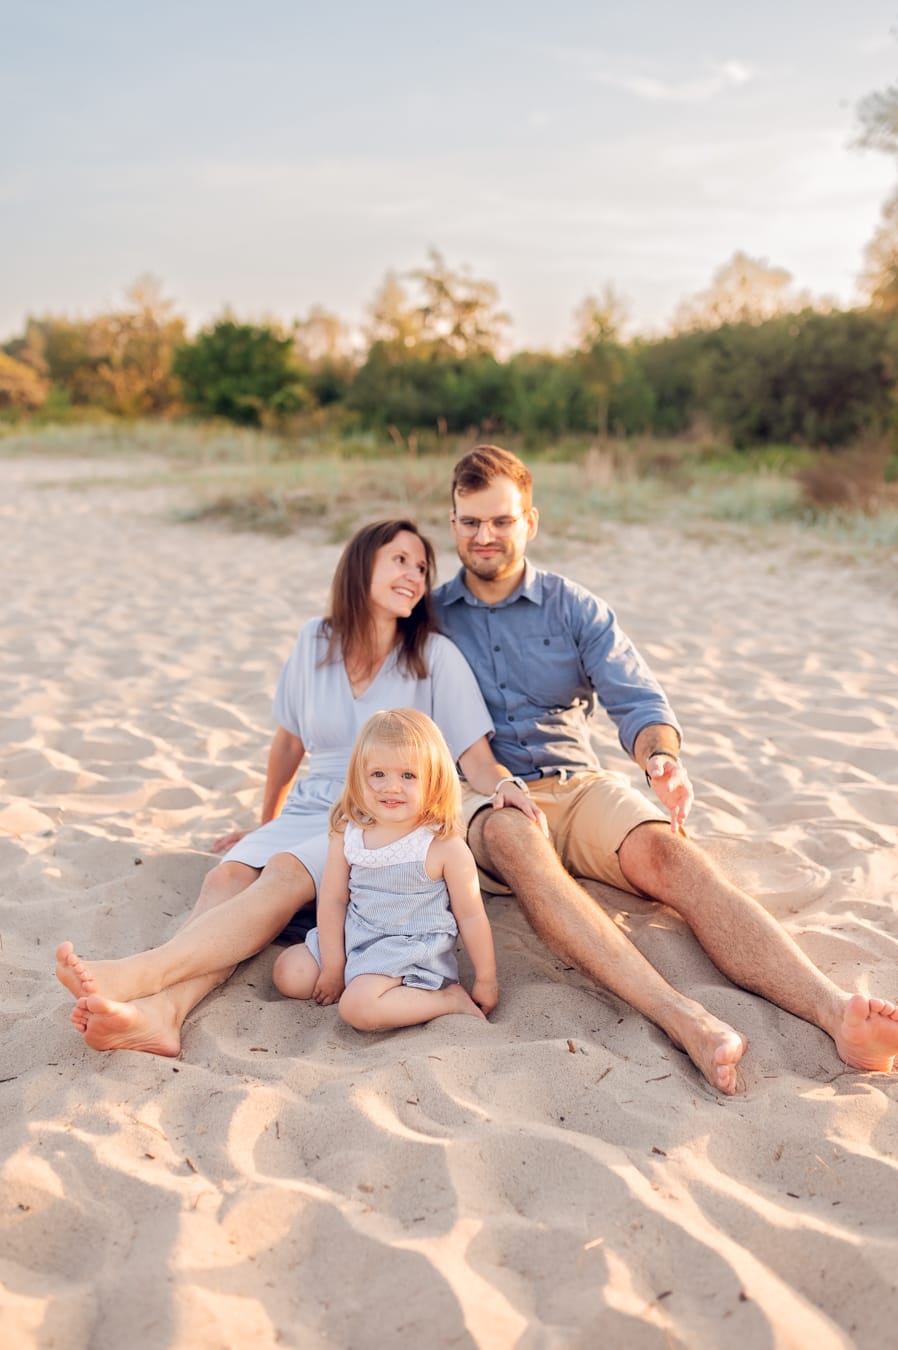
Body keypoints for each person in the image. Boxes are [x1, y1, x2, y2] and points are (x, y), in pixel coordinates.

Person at [432, 444, 898, 1094]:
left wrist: (659, 758)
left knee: (672, 857)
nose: (485, 536)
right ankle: (683, 1018)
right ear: (452, 522)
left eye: (501, 520)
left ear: (529, 522)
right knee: (516, 838)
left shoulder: (574, 607)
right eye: (471, 522)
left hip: (576, 782)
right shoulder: (426, 616)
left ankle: (835, 1013)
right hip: (482, 792)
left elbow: (639, 701)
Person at [56, 518, 540, 1055]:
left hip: (372, 813)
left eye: (422, 567)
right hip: (309, 803)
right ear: (361, 566)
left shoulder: (436, 656)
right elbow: (288, 743)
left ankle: (145, 974)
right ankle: (161, 1013)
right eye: (399, 560)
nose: (414, 575)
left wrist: (507, 786)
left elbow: (475, 757)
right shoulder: (315, 640)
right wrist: (266, 823)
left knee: (284, 872)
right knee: (226, 877)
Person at [273, 708, 498, 1029]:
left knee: (358, 1008)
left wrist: (486, 979)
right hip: (356, 934)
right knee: (289, 973)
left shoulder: (442, 846)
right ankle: (359, 979)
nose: (391, 787)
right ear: (359, 777)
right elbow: (334, 900)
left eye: (408, 776)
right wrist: (333, 966)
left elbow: (472, 916)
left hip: (407, 950)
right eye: (378, 774)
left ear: (434, 782)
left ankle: (448, 999)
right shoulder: (348, 831)